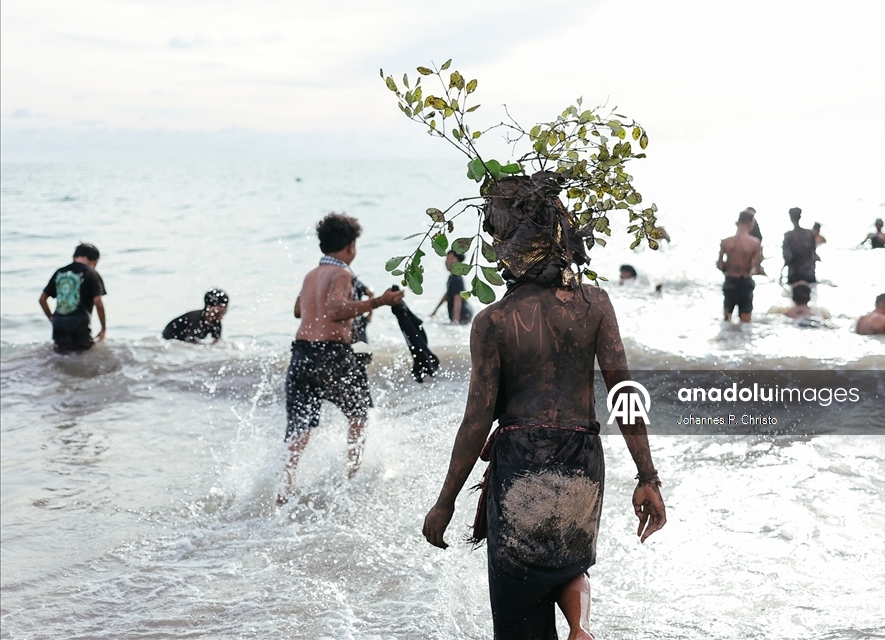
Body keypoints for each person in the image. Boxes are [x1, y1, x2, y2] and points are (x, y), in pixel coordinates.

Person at [421, 173, 666, 640]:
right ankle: (580, 626)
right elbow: (624, 394)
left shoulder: (493, 320)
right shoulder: (596, 303)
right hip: (581, 463)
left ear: (505, 248)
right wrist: (647, 477)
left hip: (522, 464)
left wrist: (446, 501)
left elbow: (476, 421)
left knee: (519, 620)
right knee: (567, 564)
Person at [281, 213, 404, 500]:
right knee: (359, 414)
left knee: (299, 430)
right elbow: (335, 310)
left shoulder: (311, 274)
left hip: (300, 355)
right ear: (351, 246)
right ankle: (350, 479)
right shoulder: (342, 274)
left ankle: (283, 488)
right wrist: (379, 301)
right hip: (331, 355)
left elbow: (299, 311)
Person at [39, 243, 107, 353]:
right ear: (95, 261)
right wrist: (103, 329)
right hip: (79, 323)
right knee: (83, 354)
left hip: (59, 322)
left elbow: (42, 300)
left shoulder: (59, 272)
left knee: (60, 355)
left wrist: (52, 319)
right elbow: (98, 302)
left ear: (74, 257)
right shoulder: (91, 273)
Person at [717, 210, 763, 323]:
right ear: (751, 224)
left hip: (730, 281)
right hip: (745, 282)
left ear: (737, 223)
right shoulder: (755, 243)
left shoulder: (726, 242)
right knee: (746, 322)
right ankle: (743, 338)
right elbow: (756, 268)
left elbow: (720, 265)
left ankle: (727, 337)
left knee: (726, 320)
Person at [162, 289, 229, 343]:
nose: (224, 309)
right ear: (209, 307)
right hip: (168, 340)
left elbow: (217, 342)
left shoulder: (216, 322)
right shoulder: (194, 319)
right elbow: (190, 343)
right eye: (221, 306)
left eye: (226, 306)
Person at [431, 251, 473, 325]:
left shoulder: (457, 279)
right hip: (464, 313)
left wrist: (455, 321)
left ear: (459, 262)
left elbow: (457, 299)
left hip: (463, 314)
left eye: (451, 259)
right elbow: (447, 295)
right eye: (447, 259)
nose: (447, 262)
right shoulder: (452, 277)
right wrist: (434, 312)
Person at [782, 207, 817, 285]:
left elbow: (787, 257)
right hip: (809, 273)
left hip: (794, 274)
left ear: (790, 218)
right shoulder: (809, 234)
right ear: (800, 217)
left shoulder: (788, 235)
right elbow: (813, 255)